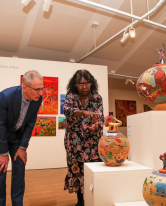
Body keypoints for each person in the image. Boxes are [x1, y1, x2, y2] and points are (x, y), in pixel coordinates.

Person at [0, 70, 43, 206]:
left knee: (20, 167)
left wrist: (22, 147)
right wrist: (3, 154)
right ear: (25, 88)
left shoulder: (38, 99)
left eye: (42, 88)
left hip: (15, 135)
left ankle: (17, 203)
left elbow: (30, 123)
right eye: (37, 89)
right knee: (1, 168)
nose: (41, 93)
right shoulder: (6, 96)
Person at [63, 69, 104, 206]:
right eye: (80, 84)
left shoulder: (97, 97)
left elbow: (100, 116)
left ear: (92, 83)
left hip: (93, 143)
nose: (84, 87)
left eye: (87, 83)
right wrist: (84, 112)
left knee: (93, 172)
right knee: (77, 172)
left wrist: (97, 125)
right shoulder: (70, 96)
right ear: (75, 85)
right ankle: (80, 201)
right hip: (75, 143)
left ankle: (94, 200)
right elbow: (68, 111)